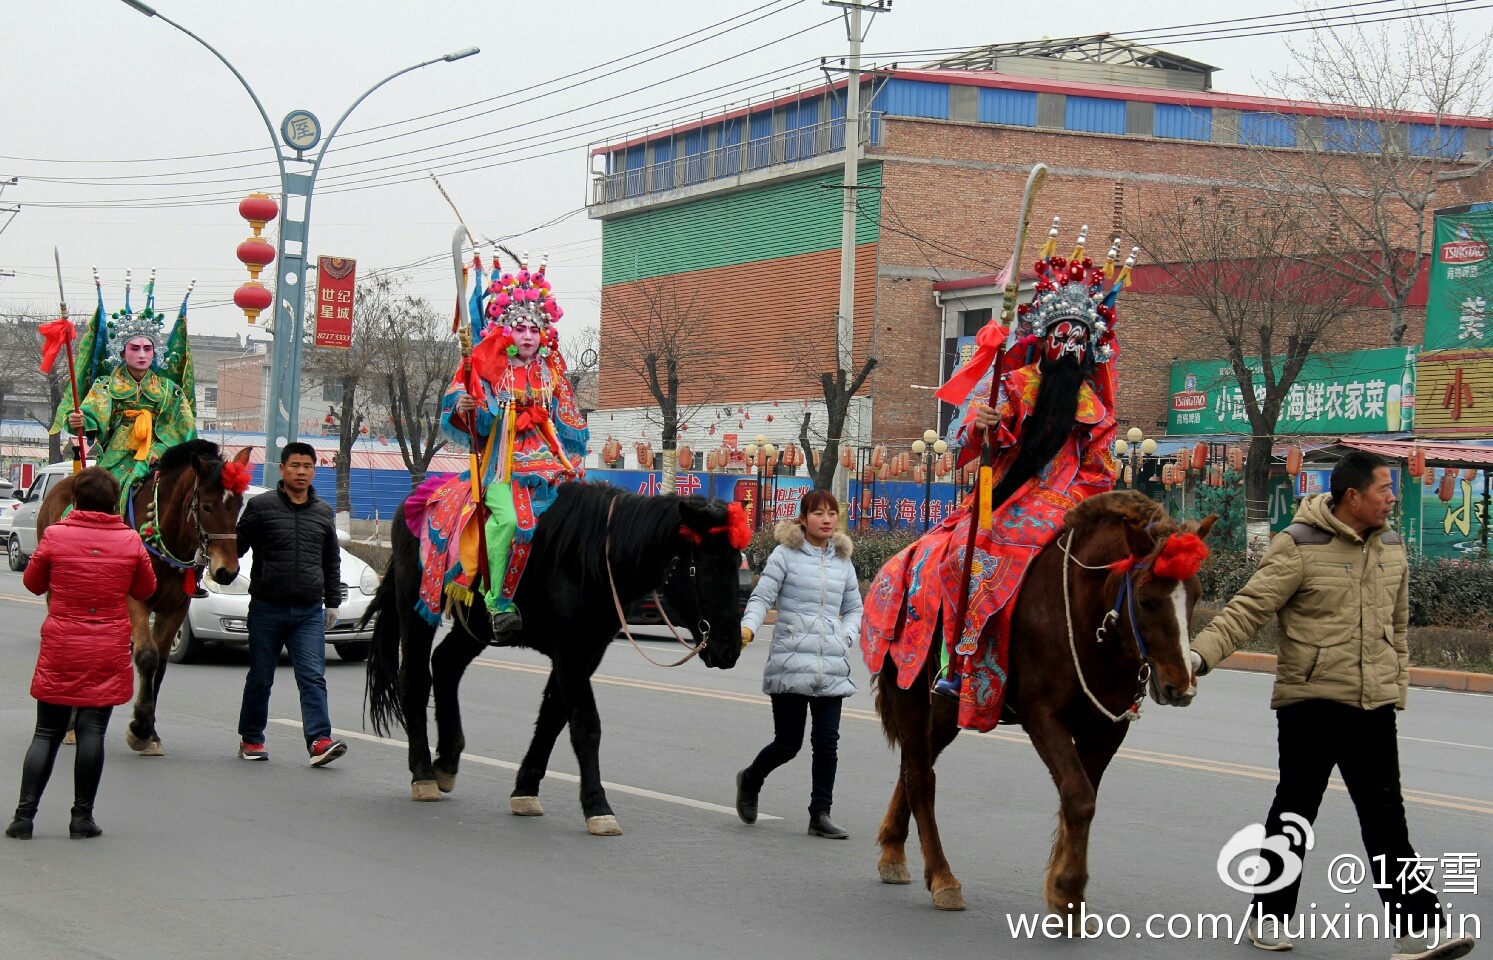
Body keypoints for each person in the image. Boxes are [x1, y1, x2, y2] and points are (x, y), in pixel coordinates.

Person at [1191, 451, 1476, 960]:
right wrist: (1196, 656)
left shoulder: (1391, 547)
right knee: (1295, 813)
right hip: (1311, 704)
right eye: (1384, 489)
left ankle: (1418, 931)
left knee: (1386, 818)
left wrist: (1396, 687)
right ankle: (1269, 917)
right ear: (1353, 497)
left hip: (1373, 705)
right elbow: (1249, 608)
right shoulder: (1299, 545)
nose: (1392, 498)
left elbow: (1399, 626)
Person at [862, 225, 1126, 733]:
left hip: (1072, 502)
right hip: (1006, 496)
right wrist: (982, 424)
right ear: (1044, 342)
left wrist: (1085, 505)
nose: (1068, 348)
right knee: (967, 549)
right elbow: (971, 443)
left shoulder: (1094, 407)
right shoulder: (1015, 383)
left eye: (1078, 340)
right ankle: (958, 664)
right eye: (1059, 338)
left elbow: (1101, 469)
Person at [436, 252, 587, 636]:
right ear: (506, 332)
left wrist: (574, 459)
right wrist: (468, 404)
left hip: (551, 462)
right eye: (519, 329)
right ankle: (496, 601)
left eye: (534, 330)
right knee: (513, 521)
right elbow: (481, 423)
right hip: (504, 467)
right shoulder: (491, 371)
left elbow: (569, 422)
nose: (527, 337)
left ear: (543, 334)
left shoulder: (552, 371)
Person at [6, 467, 155, 839]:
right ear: (113, 502)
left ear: (76, 500)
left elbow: (32, 582)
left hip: (62, 644)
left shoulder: (55, 536)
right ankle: (81, 818)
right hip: (106, 646)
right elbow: (145, 587)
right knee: (93, 732)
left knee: (45, 732)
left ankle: (24, 817)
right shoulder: (131, 541)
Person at [734, 491, 862, 839]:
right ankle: (750, 778)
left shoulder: (842, 559)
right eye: (818, 513)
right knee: (788, 744)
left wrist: (846, 637)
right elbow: (762, 597)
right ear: (803, 519)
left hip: (830, 665)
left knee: (827, 742)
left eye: (831, 513)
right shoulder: (785, 555)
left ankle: (820, 814)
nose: (826, 519)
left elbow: (854, 608)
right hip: (790, 661)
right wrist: (747, 628)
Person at [235, 442, 347, 767]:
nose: (301, 471)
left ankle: (319, 741)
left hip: (308, 612)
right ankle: (251, 738)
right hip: (267, 608)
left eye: (307, 466)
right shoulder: (260, 507)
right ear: (282, 469)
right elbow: (236, 547)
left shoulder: (323, 512)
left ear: (314, 470)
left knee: (313, 676)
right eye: (295, 465)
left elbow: (331, 561)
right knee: (260, 678)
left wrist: (333, 604)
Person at [56, 272, 196, 513]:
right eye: (135, 348)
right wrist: (80, 420)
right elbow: (92, 417)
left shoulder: (170, 391)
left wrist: (159, 451)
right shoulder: (105, 386)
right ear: (122, 352)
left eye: (148, 348)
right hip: (118, 454)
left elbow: (184, 428)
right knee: (99, 495)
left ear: (155, 353)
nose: (142, 354)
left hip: (158, 453)